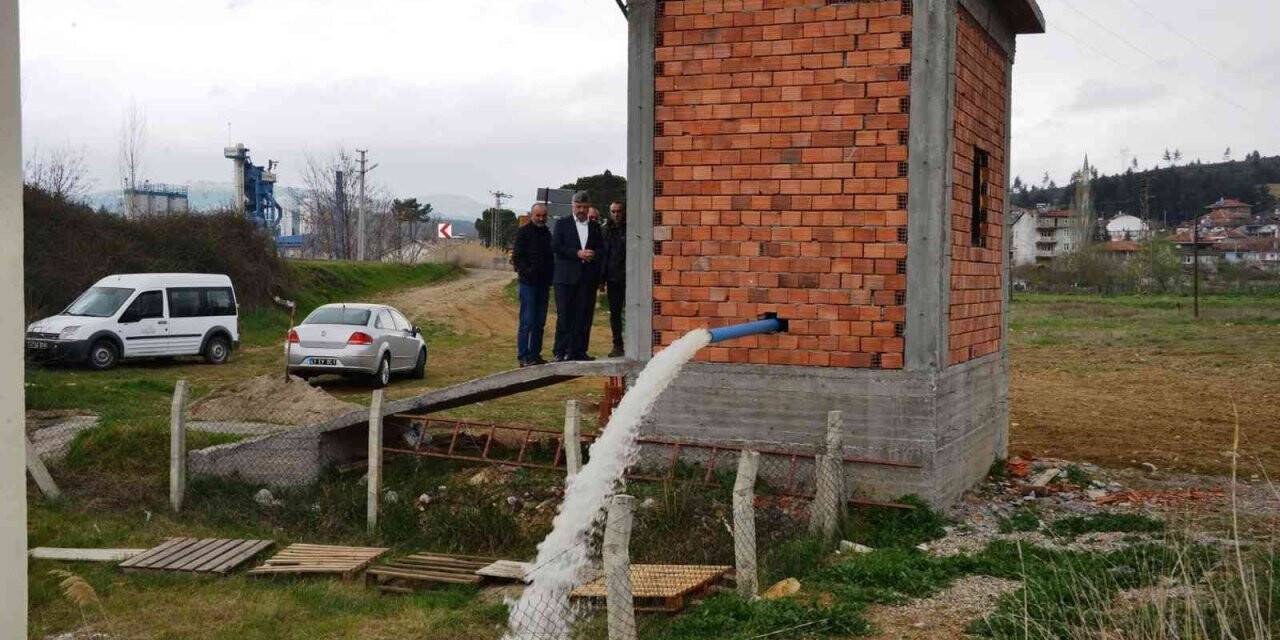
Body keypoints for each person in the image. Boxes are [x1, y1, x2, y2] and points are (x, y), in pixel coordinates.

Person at [551, 191, 605, 361]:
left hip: (587, 279)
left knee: (584, 315)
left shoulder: (595, 227)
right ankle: (561, 351)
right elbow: (556, 247)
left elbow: (602, 249)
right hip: (565, 278)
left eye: (584, 207)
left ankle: (579, 351)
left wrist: (592, 254)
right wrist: (577, 253)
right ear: (573, 206)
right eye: (578, 206)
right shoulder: (562, 224)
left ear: (589, 207)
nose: (581, 210)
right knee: (565, 315)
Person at [511, 203, 554, 367]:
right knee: (527, 321)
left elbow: (551, 257)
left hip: (543, 285)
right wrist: (528, 272)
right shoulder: (523, 233)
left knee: (540, 322)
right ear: (532, 215)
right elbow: (517, 257)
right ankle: (523, 356)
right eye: (538, 216)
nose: (541, 219)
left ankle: (535, 354)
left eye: (544, 216)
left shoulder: (547, 234)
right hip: (528, 284)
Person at [602, 200, 627, 358]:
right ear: (610, 212)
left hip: (630, 277)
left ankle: (633, 342)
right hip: (613, 278)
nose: (616, 214)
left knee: (632, 311)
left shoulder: (630, 229)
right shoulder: (605, 231)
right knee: (615, 313)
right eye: (613, 211)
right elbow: (603, 255)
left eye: (619, 211)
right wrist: (602, 279)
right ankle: (617, 344)